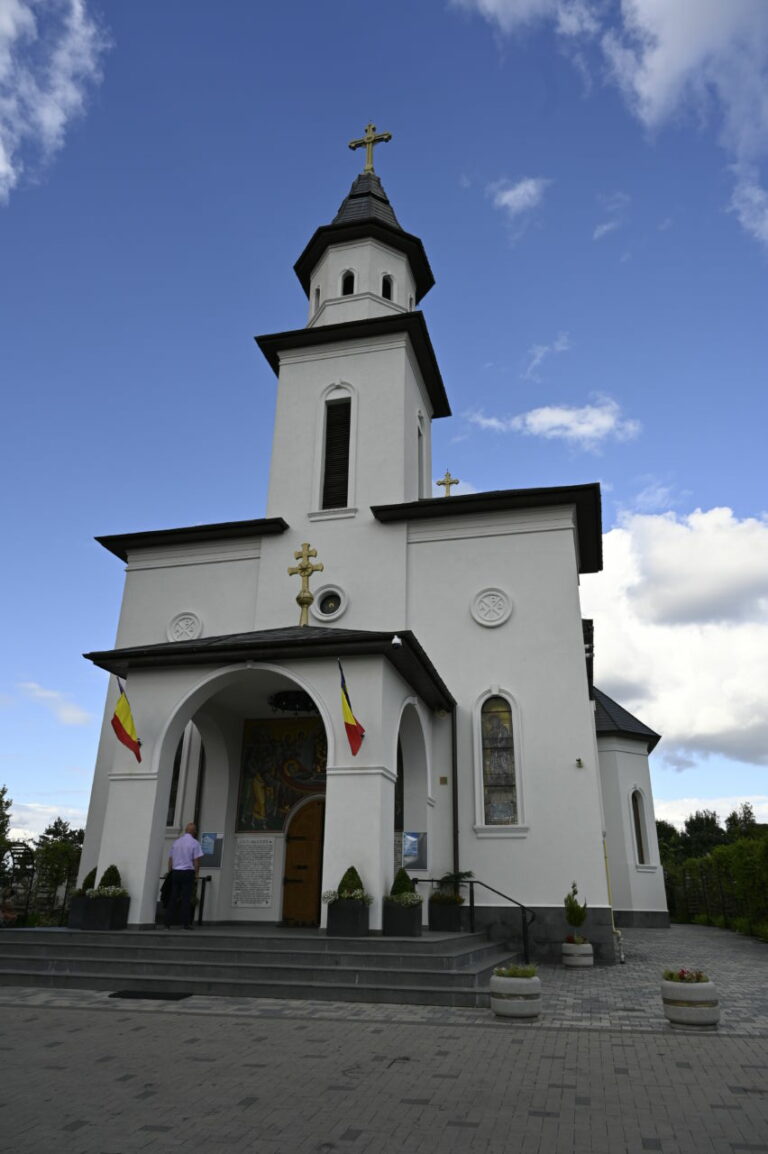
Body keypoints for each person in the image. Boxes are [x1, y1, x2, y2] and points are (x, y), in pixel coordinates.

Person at [165, 821, 203, 929]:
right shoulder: (195, 843)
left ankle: (167, 923)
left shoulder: (176, 842)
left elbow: (170, 859)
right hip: (187, 872)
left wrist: (170, 871)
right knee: (186, 898)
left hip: (176, 872)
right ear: (194, 832)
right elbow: (196, 860)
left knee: (173, 897)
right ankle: (185, 923)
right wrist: (196, 874)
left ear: (186, 831)